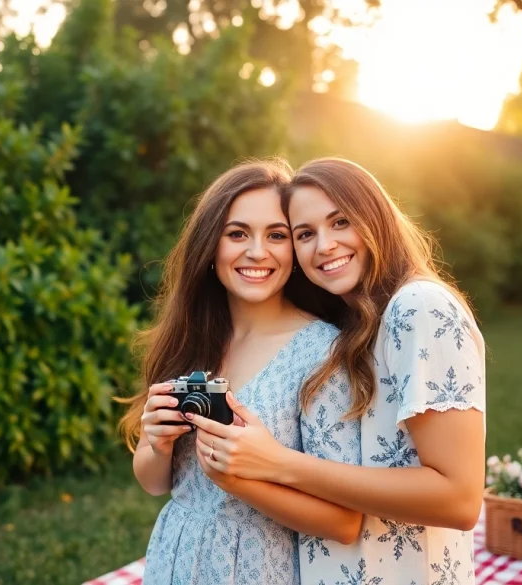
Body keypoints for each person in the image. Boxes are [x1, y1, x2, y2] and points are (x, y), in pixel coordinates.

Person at [191, 157, 486, 585]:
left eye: (340, 222)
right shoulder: (359, 325)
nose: (324, 245)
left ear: (375, 219)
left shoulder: (418, 306)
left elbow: (459, 500)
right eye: (304, 234)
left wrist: (278, 463)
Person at [118, 159, 360, 585]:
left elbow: (344, 523)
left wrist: (239, 480)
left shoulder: (324, 353)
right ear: (211, 245)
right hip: (176, 560)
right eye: (237, 233)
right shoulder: (192, 338)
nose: (257, 252)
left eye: (277, 236)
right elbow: (156, 485)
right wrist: (155, 443)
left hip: (263, 566)